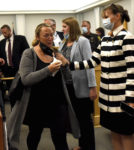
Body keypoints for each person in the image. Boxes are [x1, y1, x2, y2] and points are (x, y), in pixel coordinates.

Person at [68, 4, 134, 150]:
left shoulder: (127, 37)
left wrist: (130, 99)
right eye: (103, 17)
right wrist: (70, 65)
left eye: (106, 16)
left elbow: (132, 70)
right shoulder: (104, 39)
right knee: (114, 132)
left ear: (118, 16)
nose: (104, 20)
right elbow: (92, 61)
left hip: (122, 97)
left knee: (126, 134)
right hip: (106, 97)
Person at [7, 23, 80, 150]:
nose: (50, 38)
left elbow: (68, 78)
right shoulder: (29, 53)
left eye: (52, 35)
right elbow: (26, 79)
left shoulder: (55, 52)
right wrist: (48, 70)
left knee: (60, 137)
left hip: (57, 103)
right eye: (46, 35)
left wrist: (65, 64)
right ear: (37, 37)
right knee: (35, 135)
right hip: (37, 104)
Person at [56, 17, 97, 150]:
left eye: (64, 27)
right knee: (76, 118)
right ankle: (82, 144)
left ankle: (89, 146)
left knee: (85, 118)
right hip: (67, 86)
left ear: (72, 27)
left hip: (81, 85)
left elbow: (89, 65)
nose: (62, 29)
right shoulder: (63, 42)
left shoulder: (82, 41)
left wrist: (92, 87)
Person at [0, 24, 29, 107]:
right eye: (2, 33)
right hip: (8, 72)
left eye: (5, 32)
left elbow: (27, 53)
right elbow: (1, 57)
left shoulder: (21, 39)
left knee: (21, 92)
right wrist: (1, 70)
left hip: (19, 70)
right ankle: (13, 111)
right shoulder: (1, 43)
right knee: (11, 93)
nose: (4, 35)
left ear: (10, 31)